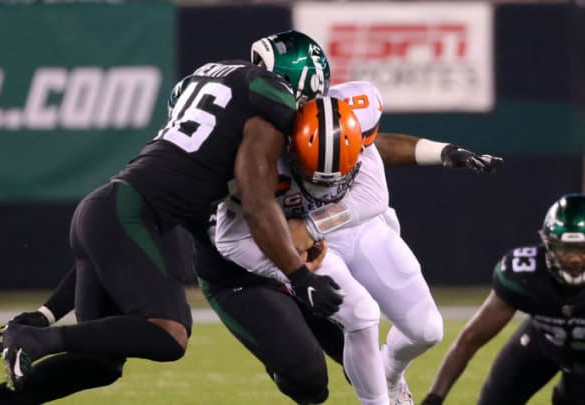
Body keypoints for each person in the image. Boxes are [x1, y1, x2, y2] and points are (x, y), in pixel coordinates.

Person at [0, 30, 342, 404]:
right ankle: (33, 340)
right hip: (131, 215)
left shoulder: (208, 82)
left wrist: (48, 313)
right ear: (300, 80)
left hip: (106, 210)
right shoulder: (270, 97)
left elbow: (108, 252)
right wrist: (299, 276)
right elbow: (255, 199)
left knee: (99, 364)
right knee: (169, 334)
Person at [213, 78, 504, 405]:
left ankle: (390, 375)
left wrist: (309, 225)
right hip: (306, 243)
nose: (324, 186)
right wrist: (288, 259)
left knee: (427, 330)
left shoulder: (360, 135)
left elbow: (371, 199)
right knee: (362, 314)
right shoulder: (263, 155)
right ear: (290, 149)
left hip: (353, 227)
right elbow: (229, 238)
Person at [421, 193, 585, 405]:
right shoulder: (526, 273)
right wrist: (434, 397)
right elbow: (470, 339)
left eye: (582, 250)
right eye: (565, 250)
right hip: (541, 344)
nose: (573, 259)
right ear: (547, 245)